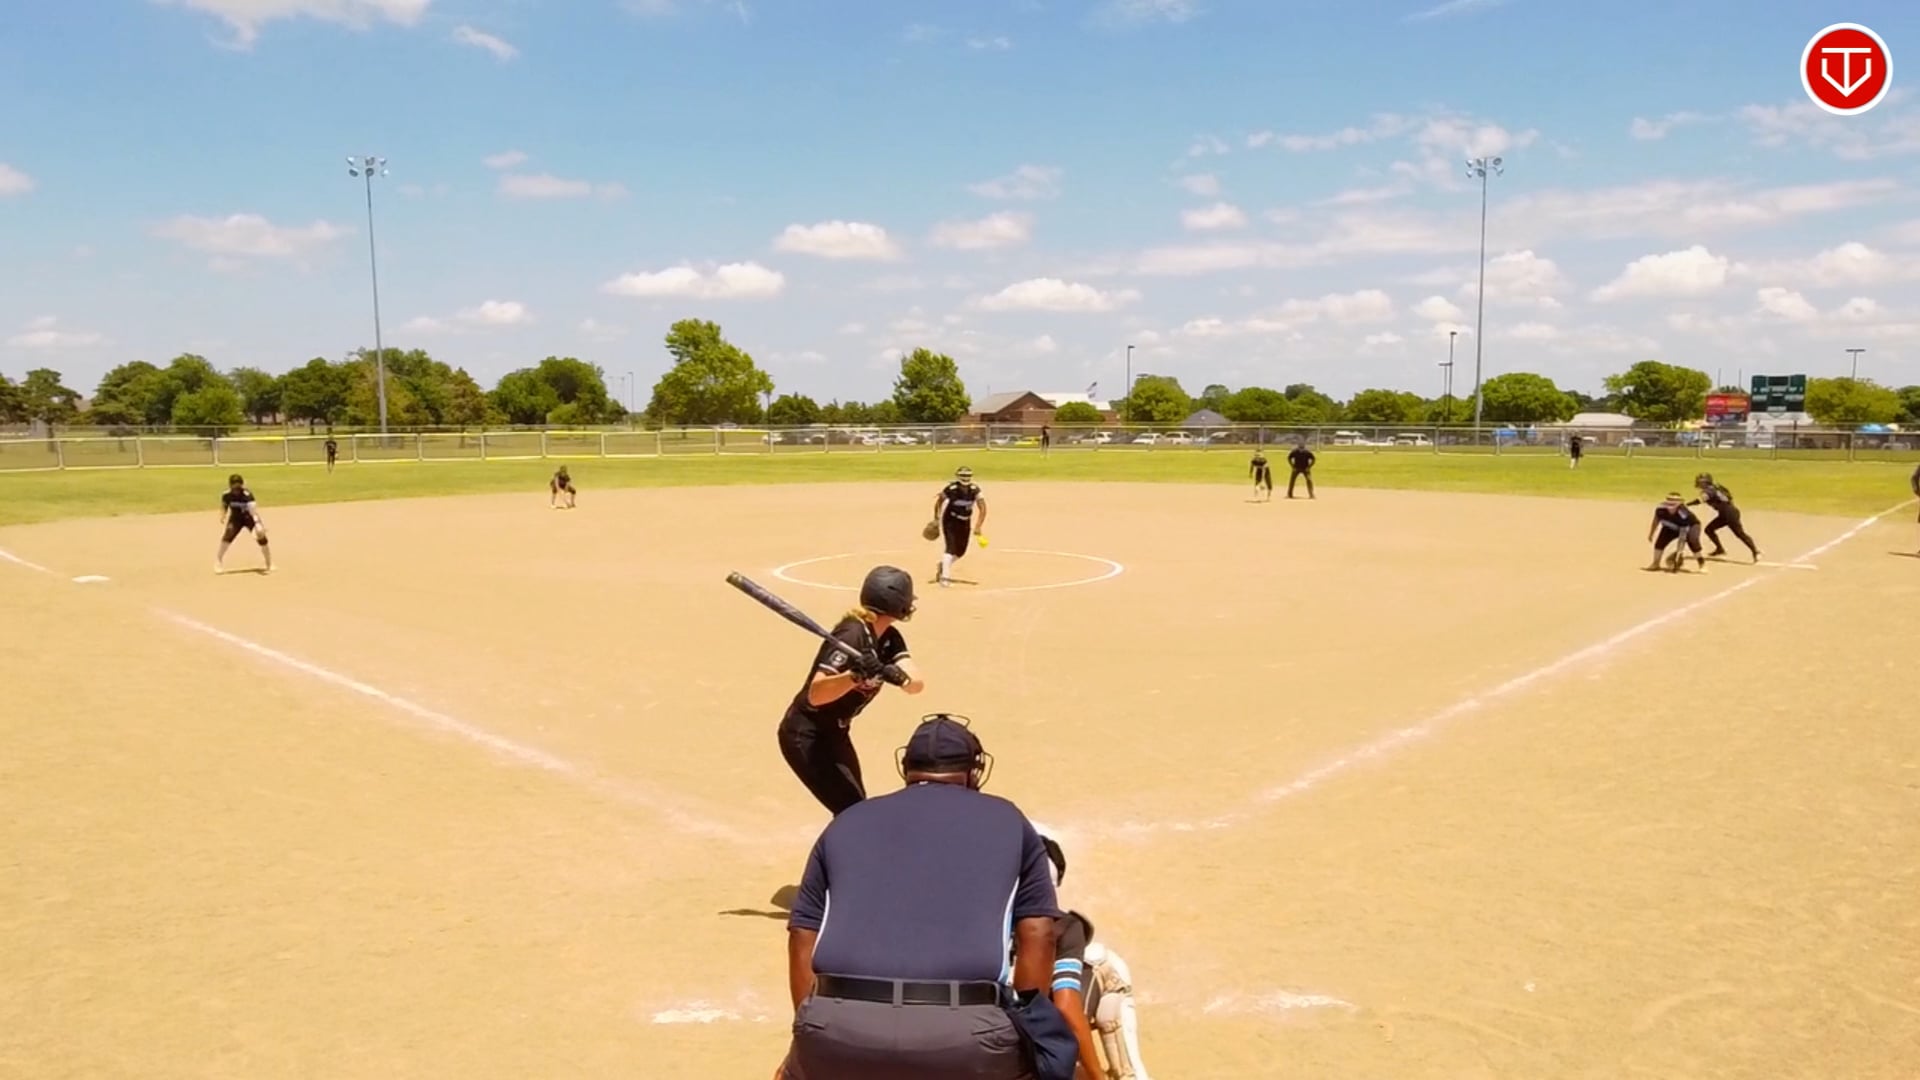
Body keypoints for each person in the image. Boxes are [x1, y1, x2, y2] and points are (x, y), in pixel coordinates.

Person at [779, 715, 1064, 1080]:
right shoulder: (1009, 820)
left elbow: (802, 934)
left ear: (905, 768)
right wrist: (1032, 1034)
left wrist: (810, 1029)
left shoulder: (846, 821)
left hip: (836, 1031)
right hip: (966, 1038)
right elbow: (1039, 934)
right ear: (974, 771)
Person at [777, 566, 925, 816]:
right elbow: (816, 695)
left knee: (856, 808)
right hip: (806, 734)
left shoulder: (889, 638)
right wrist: (855, 676)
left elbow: (917, 685)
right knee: (853, 812)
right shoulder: (851, 635)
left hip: (835, 732)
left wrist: (896, 675)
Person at [1033, 833, 1153, 1080]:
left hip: (968, 1034)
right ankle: (1127, 1075)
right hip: (1021, 1044)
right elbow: (1065, 1006)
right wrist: (1097, 1075)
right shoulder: (1063, 927)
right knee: (1106, 966)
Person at [932, 466, 988, 587]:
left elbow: (983, 508)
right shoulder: (951, 489)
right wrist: (936, 518)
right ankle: (945, 578)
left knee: (961, 551)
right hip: (950, 521)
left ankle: (943, 565)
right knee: (950, 548)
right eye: (963, 476)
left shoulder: (975, 490)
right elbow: (939, 502)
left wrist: (978, 526)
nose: (965, 478)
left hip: (965, 522)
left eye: (967, 476)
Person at [1688, 472, 1760, 562]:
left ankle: (1755, 551)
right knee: (1709, 530)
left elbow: (1699, 500)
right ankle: (1720, 549)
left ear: (1706, 482)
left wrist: (1687, 504)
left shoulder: (1708, 491)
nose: (1699, 483)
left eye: (1701, 482)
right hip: (1727, 513)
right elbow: (1729, 497)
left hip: (1729, 514)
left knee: (1740, 534)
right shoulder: (1718, 487)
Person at [215, 473, 273, 575]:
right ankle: (218, 561)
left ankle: (269, 563)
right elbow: (224, 506)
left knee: (262, 538)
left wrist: (258, 524)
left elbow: (253, 512)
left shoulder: (247, 495)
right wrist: (222, 515)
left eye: (238, 487)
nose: (236, 490)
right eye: (234, 488)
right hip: (235, 519)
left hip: (249, 518)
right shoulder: (226, 495)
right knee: (227, 537)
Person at [1647, 492, 1705, 573]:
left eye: (1675, 501)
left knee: (1693, 541)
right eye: (1669, 500)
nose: (1672, 502)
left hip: (1691, 526)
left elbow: (1683, 535)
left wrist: (1679, 553)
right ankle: (1655, 563)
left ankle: (1702, 565)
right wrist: (1651, 534)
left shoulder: (1683, 514)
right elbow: (1656, 520)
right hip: (1671, 526)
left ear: (1680, 503)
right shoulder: (1660, 509)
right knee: (1660, 542)